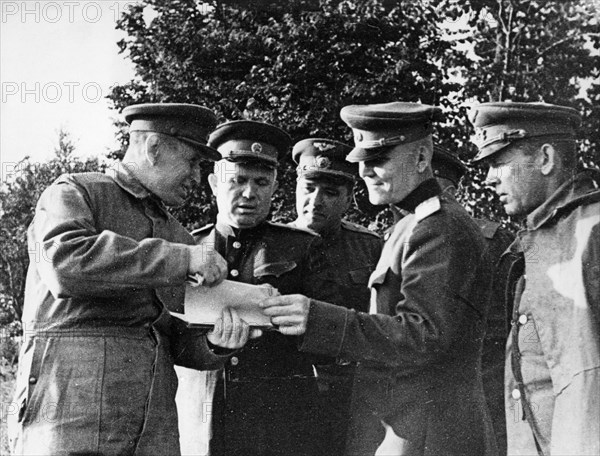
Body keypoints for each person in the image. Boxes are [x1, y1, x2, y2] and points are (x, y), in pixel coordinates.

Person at [8, 103, 258, 456]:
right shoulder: (76, 192)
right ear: (154, 147)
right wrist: (179, 258)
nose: (197, 178)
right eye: (191, 162)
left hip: (150, 433)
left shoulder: (178, 235)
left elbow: (171, 335)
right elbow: (63, 264)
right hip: (69, 422)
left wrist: (216, 343)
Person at [262, 101, 498, 456]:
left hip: (426, 436)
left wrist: (320, 319)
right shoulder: (411, 225)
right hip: (400, 428)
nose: (366, 172)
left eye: (379, 159)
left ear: (421, 158)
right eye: (363, 162)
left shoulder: (439, 228)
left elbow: (423, 336)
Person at [175, 120, 339, 456]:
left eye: (261, 182)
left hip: (279, 427)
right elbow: (166, 338)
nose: (250, 193)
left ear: (275, 185)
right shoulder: (183, 251)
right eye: (237, 181)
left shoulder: (304, 248)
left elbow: (333, 344)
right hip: (203, 421)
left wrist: (303, 321)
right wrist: (212, 345)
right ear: (213, 183)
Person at [469, 101, 600, 455]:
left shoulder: (592, 230)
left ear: (545, 159)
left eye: (499, 163)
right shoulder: (538, 236)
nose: (489, 178)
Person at [290, 137, 383, 455]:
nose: (316, 201)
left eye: (330, 193)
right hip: (291, 387)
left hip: (352, 391)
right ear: (296, 187)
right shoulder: (271, 245)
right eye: (309, 188)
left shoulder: (370, 247)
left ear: (348, 199)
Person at [432, 145, 514, 455]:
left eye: (440, 192)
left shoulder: (492, 238)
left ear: (456, 193)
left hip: (482, 382)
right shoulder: (393, 240)